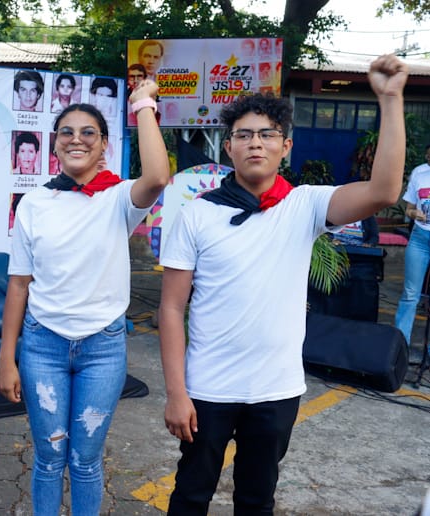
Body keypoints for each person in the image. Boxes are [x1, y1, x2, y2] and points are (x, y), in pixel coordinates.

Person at [157, 54, 407, 515]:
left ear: (285, 146)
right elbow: (172, 308)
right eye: (244, 135)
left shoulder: (304, 206)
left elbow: (384, 192)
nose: (255, 143)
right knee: (190, 495)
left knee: (257, 500)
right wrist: (176, 392)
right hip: (208, 388)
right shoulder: (197, 214)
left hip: (276, 389)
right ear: (228, 148)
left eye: (267, 134)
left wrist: (390, 99)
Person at [0, 80, 169, 515]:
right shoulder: (34, 203)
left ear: (104, 144)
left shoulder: (119, 198)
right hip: (42, 345)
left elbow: (157, 176)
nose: (77, 139)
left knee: (86, 460)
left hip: (102, 349)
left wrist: (143, 105)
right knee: (49, 457)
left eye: (89, 132)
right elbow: (19, 284)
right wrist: (6, 359)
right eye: (67, 132)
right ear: (54, 144)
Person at [394, 143, 430, 347]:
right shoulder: (419, 173)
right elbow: (409, 209)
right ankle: (400, 346)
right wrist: (414, 213)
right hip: (420, 239)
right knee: (410, 294)